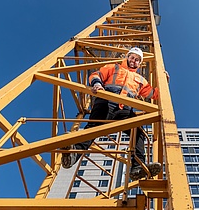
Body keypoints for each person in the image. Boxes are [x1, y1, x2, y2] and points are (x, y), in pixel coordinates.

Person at [61, 47, 168, 181]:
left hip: (124, 108)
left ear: (140, 64)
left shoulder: (141, 80)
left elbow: (153, 94)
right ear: (127, 57)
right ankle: (72, 155)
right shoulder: (114, 67)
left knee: (138, 133)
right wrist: (98, 84)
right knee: (93, 128)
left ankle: (137, 168)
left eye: (137, 60)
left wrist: (164, 83)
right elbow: (96, 75)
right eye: (132, 58)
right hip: (107, 99)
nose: (134, 61)